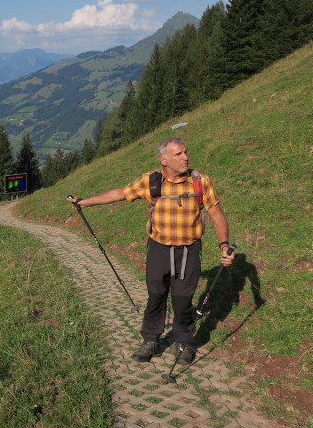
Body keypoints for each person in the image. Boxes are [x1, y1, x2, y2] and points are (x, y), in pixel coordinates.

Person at [67, 137, 235, 364]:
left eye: (185, 152)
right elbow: (120, 193)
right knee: (156, 295)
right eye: (179, 154)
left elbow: (216, 213)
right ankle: (151, 340)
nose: (185, 158)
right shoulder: (151, 181)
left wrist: (224, 244)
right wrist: (85, 202)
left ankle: (183, 342)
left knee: (183, 299)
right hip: (158, 248)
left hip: (188, 250)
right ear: (163, 159)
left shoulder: (200, 181)